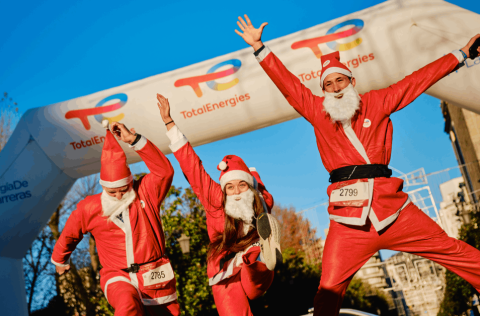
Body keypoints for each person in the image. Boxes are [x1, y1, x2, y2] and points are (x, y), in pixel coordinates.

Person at [235, 14, 480, 316]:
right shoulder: (317, 112)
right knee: (327, 290)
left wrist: (461, 54)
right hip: (348, 223)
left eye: (340, 80)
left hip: (394, 211)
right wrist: (260, 48)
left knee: (455, 251)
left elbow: (418, 80)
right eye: (328, 84)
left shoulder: (378, 101)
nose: (335, 87)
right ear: (322, 91)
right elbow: (289, 86)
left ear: (353, 82)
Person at [155, 93, 281, 316]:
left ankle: (265, 253)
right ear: (223, 190)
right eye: (230, 188)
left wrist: (254, 181)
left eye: (242, 186)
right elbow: (193, 167)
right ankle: (255, 257)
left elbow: (261, 192)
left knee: (253, 272)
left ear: (249, 188)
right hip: (223, 265)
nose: (236, 192)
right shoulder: (215, 198)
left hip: (252, 257)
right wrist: (169, 123)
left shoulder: (260, 200)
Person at [51, 120, 180, 316]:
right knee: (127, 304)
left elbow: (164, 172)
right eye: (113, 192)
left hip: (154, 274)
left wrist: (134, 140)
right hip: (117, 275)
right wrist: (60, 260)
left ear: (131, 182)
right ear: (103, 187)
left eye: (123, 190)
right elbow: (70, 234)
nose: (119, 196)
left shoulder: (145, 192)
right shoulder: (89, 207)